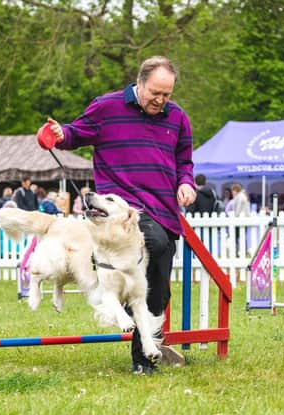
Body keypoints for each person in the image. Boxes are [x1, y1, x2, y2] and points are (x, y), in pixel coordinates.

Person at [42, 55, 196, 374]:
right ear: (139, 83)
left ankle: (144, 358)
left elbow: (185, 162)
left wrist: (185, 183)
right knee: (151, 239)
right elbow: (76, 133)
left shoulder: (178, 117)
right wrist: (58, 134)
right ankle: (118, 300)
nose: (161, 100)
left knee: (158, 290)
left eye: (167, 94)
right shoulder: (107, 107)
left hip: (164, 209)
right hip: (123, 208)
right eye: (155, 92)